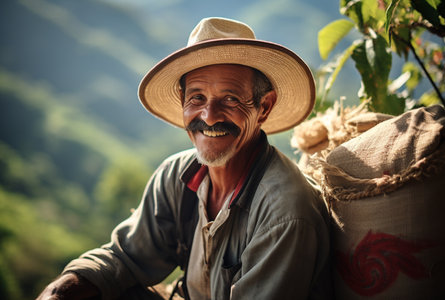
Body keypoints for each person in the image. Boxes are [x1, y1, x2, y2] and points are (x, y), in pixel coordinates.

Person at [37, 17, 333, 300]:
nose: (209, 116)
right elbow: (125, 257)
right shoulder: (175, 175)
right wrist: (60, 291)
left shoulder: (284, 213)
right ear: (183, 103)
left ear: (264, 108)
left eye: (230, 99)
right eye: (197, 98)